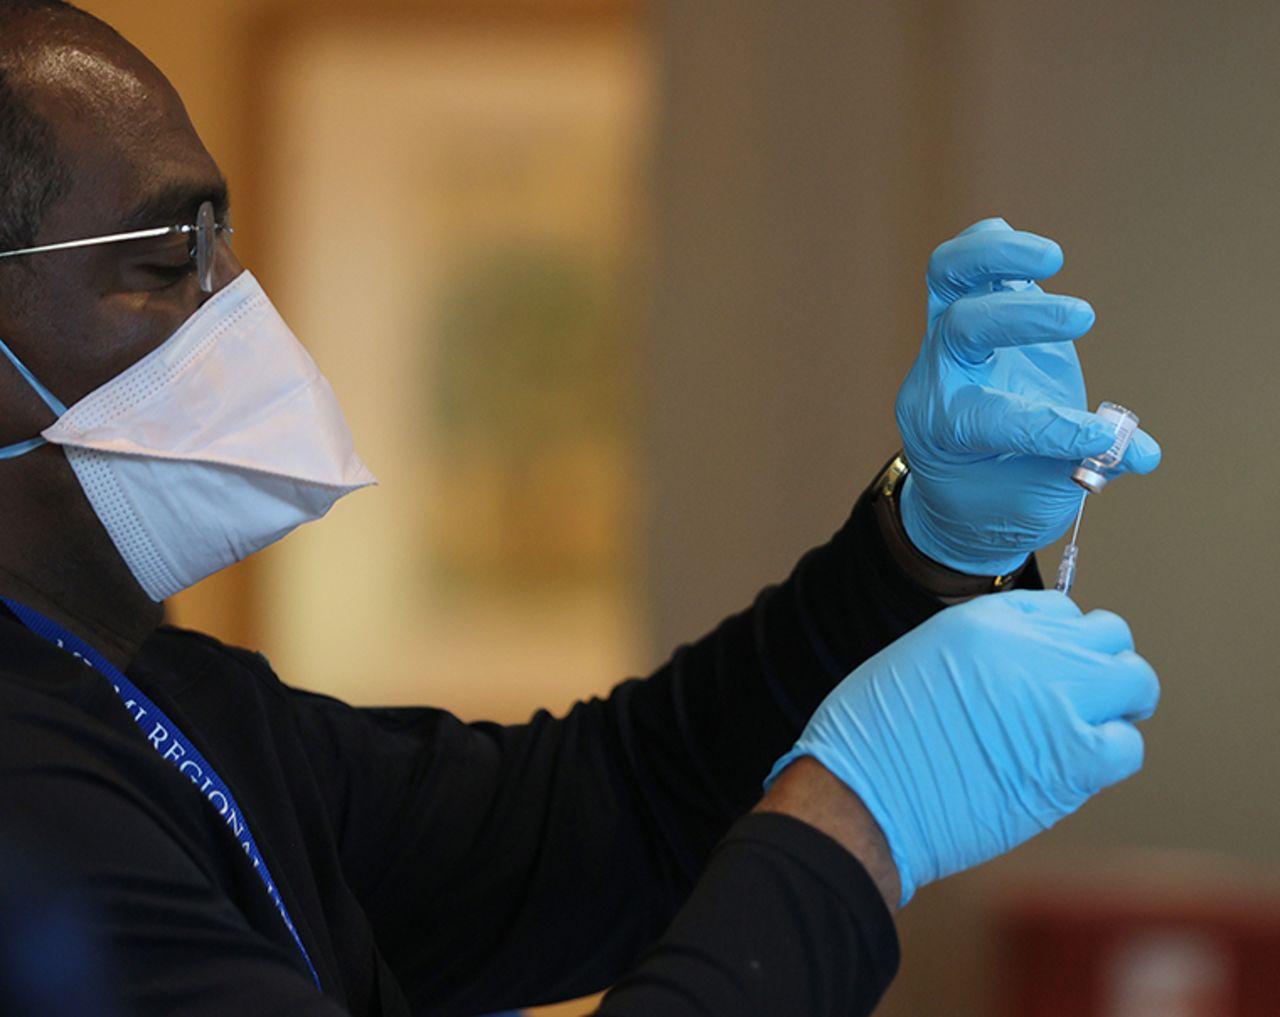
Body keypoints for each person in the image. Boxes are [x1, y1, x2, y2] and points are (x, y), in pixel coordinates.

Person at [0, 2, 1162, 1014]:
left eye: (223, 246)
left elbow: (617, 813)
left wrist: (924, 552)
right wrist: (850, 822)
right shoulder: (31, 811)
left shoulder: (157, 694)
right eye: (166, 260)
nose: (238, 304)